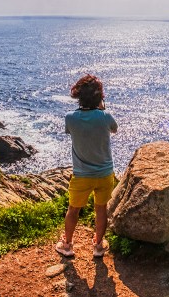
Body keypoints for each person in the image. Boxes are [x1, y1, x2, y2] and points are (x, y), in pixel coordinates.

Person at [55, 74, 118, 258]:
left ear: (79, 96)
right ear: (100, 97)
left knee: (73, 209)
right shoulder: (105, 117)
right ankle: (98, 245)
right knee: (101, 209)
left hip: (82, 175)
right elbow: (114, 129)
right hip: (105, 174)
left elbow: (71, 131)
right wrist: (102, 109)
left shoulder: (70, 118)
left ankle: (67, 245)